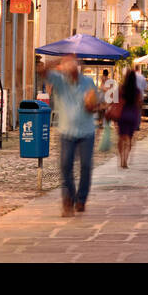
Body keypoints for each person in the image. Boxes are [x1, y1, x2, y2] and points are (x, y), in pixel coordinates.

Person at [38, 54, 99, 216]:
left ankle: (81, 199)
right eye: (68, 68)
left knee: (86, 165)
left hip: (86, 131)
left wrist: (91, 104)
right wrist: (58, 62)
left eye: (73, 67)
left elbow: (95, 106)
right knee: (66, 165)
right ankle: (68, 199)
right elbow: (41, 70)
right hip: (66, 131)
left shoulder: (88, 82)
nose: (70, 71)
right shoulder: (59, 80)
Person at [117, 63, 143, 167]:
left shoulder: (121, 88)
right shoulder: (137, 91)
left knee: (121, 138)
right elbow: (139, 103)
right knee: (129, 139)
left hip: (122, 114)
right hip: (133, 115)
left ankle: (121, 158)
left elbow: (117, 101)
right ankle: (126, 160)